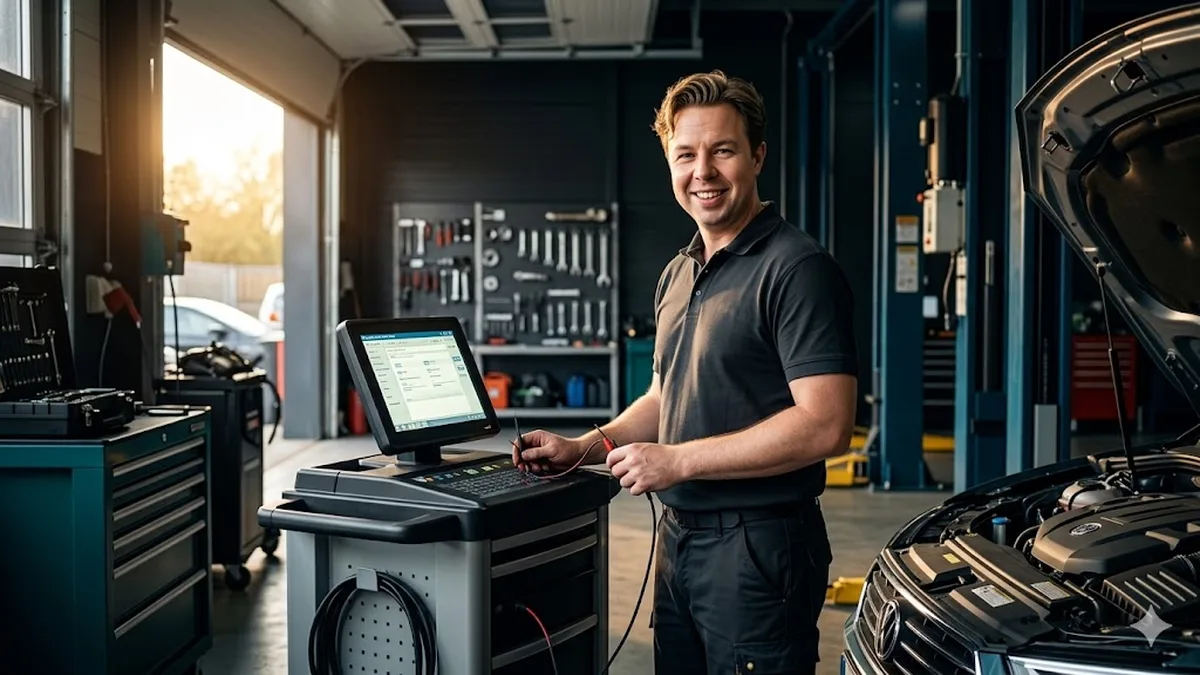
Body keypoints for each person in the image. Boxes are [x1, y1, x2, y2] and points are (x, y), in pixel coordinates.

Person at [512, 70, 859, 675]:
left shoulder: (797, 269)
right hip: (680, 541)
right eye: (686, 155)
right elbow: (664, 396)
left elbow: (827, 425)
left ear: (757, 156)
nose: (703, 171)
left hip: (758, 547)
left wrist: (678, 461)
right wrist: (583, 448)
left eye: (723, 151)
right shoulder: (678, 273)